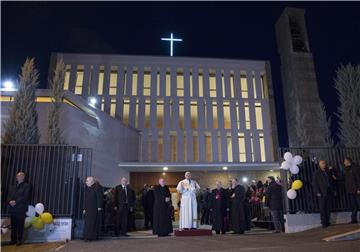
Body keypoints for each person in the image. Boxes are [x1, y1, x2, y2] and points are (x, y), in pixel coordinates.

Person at [8, 172, 31, 246]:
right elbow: (9, 195)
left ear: (23, 177)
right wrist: (10, 201)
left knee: (20, 225)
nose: (18, 177)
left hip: (21, 208)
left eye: (19, 176)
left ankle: (19, 240)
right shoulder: (13, 186)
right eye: (17, 176)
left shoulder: (26, 186)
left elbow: (25, 197)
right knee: (13, 225)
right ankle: (13, 240)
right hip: (13, 208)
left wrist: (15, 201)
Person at [312, 160, 333, 228]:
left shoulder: (327, 171)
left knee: (328, 207)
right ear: (319, 165)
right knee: (322, 208)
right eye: (322, 163)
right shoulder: (317, 173)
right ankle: (323, 222)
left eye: (325, 163)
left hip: (329, 191)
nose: (324, 164)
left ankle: (327, 221)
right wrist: (317, 192)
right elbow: (315, 183)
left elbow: (330, 181)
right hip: (321, 192)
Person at [83, 177, 103, 241]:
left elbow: (99, 197)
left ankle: (92, 237)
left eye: (87, 181)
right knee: (87, 223)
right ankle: (87, 236)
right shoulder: (87, 188)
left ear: (91, 181)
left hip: (94, 208)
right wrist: (84, 208)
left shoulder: (97, 187)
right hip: (88, 208)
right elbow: (85, 199)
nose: (86, 182)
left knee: (93, 223)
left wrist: (99, 207)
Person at [343, 157, 360, 224]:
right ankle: (354, 219)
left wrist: (359, 188)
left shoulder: (355, 168)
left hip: (356, 190)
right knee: (353, 205)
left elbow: (358, 179)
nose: (344, 163)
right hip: (350, 190)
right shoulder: (346, 169)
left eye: (345, 161)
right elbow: (344, 178)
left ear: (348, 161)